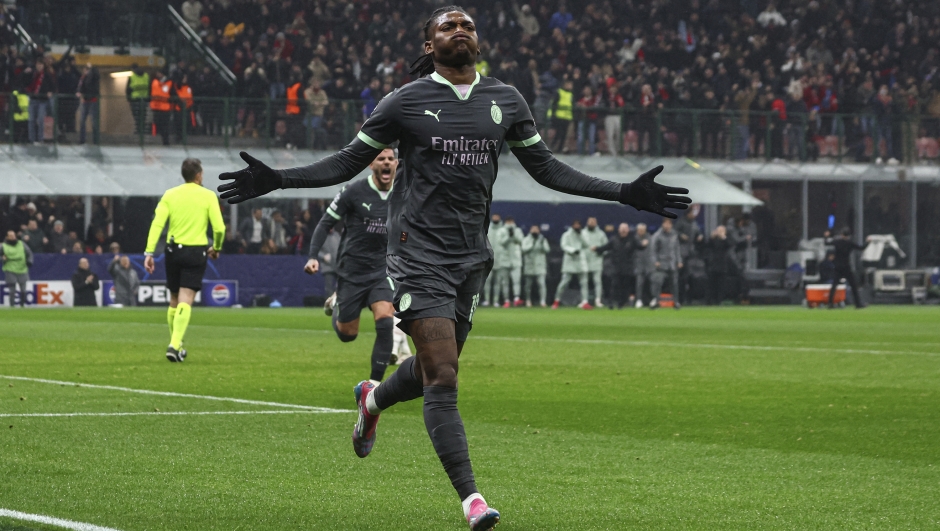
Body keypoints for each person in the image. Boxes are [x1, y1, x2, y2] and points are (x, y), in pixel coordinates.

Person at [216, 7, 689, 529]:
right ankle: (472, 500)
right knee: (444, 374)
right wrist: (278, 178)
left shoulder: (505, 100)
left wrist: (623, 193)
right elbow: (346, 161)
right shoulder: (405, 101)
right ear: (429, 46)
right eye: (447, 26)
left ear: (478, 42)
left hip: (471, 258)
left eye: (467, 25)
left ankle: (373, 401)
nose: (459, 30)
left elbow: (548, 169)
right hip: (417, 255)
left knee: (425, 371)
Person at [303, 148, 399, 385]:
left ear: (396, 164)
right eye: (381, 159)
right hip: (352, 269)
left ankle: (373, 387)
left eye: (390, 159)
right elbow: (326, 223)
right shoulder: (353, 191)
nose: (386, 163)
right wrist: (313, 255)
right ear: (371, 165)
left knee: (386, 320)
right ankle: (336, 303)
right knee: (348, 334)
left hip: (383, 269)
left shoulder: (404, 193)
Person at [144, 158, 225, 362]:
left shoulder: (170, 195)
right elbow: (219, 228)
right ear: (198, 175)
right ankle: (174, 344)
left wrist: (149, 252)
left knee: (174, 300)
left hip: (173, 250)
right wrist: (216, 247)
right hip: (196, 252)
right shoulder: (208, 196)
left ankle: (177, 345)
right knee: (186, 299)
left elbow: (157, 224)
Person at [827, 228, 870, 309]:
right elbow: (861, 248)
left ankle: (830, 303)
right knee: (853, 286)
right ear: (848, 236)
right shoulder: (849, 243)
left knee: (834, 286)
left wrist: (826, 236)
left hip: (838, 267)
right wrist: (868, 242)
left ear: (842, 235)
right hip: (846, 267)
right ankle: (858, 304)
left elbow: (827, 243)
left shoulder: (837, 242)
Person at [552, 220, 590, 309]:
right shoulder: (566, 234)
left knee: (584, 283)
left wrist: (581, 235)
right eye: (575, 224)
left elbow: (586, 244)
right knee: (564, 282)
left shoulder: (583, 234)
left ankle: (585, 302)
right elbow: (563, 245)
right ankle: (556, 300)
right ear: (572, 225)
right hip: (569, 261)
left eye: (578, 224)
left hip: (580, 261)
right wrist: (572, 250)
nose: (577, 226)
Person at [595, 223, 635, 309]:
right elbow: (606, 247)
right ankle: (611, 303)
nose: (623, 230)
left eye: (625, 228)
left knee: (625, 287)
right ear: (619, 230)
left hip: (627, 268)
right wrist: (597, 249)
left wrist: (644, 245)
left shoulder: (632, 240)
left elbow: (640, 246)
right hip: (616, 267)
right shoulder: (614, 239)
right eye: (622, 228)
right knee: (614, 285)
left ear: (628, 230)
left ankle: (622, 303)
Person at [649, 219, 681, 309]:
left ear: (671, 225)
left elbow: (677, 248)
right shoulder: (657, 235)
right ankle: (656, 300)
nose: (667, 226)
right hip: (661, 263)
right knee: (658, 282)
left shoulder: (674, 235)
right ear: (662, 224)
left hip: (672, 263)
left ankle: (676, 302)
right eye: (665, 224)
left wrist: (679, 260)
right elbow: (653, 250)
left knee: (674, 283)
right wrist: (655, 261)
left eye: (669, 224)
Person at [674, 208, 703, 304]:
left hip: (691, 252)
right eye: (692, 213)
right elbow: (675, 232)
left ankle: (689, 298)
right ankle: (680, 298)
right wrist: (681, 235)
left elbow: (698, 232)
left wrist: (699, 236)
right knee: (681, 276)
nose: (693, 215)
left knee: (690, 276)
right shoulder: (681, 222)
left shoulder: (694, 223)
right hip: (682, 252)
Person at [2, 230, 33, 307]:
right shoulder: (3, 246)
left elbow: (29, 253)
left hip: (22, 269)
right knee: (12, 290)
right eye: (11, 236)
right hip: (10, 269)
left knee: (23, 290)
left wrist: (29, 261)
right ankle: (12, 307)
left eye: (14, 235)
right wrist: (2, 258)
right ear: (7, 237)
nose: (13, 237)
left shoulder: (21, 244)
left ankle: (22, 305)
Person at [521, 224, 550, 307]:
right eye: (533, 229)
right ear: (530, 230)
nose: (534, 231)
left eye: (536, 229)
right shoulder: (526, 239)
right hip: (529, 265)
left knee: (541, 284)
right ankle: (528, 300)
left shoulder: (542, 239)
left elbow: (547, 250)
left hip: (540, 265)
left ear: (539, 230)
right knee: (528, 285)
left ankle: (542, 301)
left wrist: (541, 244)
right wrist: (532, 244)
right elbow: (524, 249)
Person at [582, 216, 608, 308]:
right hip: (584, 261)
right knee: (584, 282)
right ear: (587, 222)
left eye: (593, 222)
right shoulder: (582, 233)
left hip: (597, 261)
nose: (592, 223)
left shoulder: (601, 234)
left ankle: (598, 300)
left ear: (596, 223)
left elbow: (606, 247)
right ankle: (584, 301)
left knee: (597, 281)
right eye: (590, 222)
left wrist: (600, 252)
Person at [704, 226, 733, 305]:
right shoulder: (713, 240)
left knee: (721, 285)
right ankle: (709, 300)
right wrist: (711, 237)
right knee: (711, 284)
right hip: (713, 265)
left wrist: (723, 237)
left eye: (721, 231)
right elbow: (707, 245)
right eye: (718, 230)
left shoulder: (726, 240)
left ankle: (719, 300)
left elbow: (730, 245)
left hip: (723, 266)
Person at [480, 214, 503, 307]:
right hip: (488, 259)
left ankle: (496, 300)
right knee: (487, 281)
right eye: (494, 217)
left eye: (497, 217)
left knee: (498, 282)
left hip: (500, 260)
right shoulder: (487, 229)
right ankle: (487, 300)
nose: (495, 219)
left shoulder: (503, 230)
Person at [76, 63, 100, 145]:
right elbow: (80, 87)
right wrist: (79, 92)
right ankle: (82, 140)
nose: (86, 72)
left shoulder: (93, 77)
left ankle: (96, 140)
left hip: (93, 101)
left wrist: (92, 68)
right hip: (85, 101)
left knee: (94, 122)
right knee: (82, 121)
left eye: (87, 70)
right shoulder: (83, 78)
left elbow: (97, 75)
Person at [503, 217, 524, 307]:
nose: (510, 223)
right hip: (504, 259)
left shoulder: (518, 230)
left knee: (516, 280)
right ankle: (506, 300)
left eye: (511, 222)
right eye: (508, 222)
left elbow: (521, 241)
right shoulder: (502, 231)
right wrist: (509, 236)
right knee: (505, 282)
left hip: (516, 259)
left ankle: (516, 299)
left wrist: (513, 235)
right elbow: (502, 242)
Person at [126, 64, 151, 136]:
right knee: (143, 115)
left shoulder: (132, 77)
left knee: (137, 116)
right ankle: (141, 130)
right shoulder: (146, 76)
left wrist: (129, 99)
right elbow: (149, 87)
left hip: (135, 99)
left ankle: (139, 130)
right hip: (144, 99)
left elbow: (128, 89)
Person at [633, 223, 652, 307]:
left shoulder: (650, 238)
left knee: (650, 283)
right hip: (638, 264)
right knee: (639, 283)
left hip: (649, 264)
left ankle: (650, 300)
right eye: (639, 230)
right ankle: (638, 300)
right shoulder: (634, 239)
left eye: (643, 230)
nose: (641, 232)